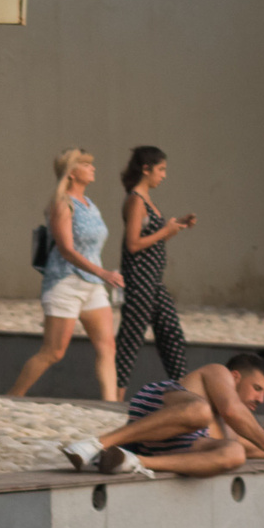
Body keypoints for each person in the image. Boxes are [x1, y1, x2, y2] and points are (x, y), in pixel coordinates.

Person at [6, 147, 124, 402]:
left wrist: (101, 275)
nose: (93, 168)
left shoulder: (91, 205)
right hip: (65, 283)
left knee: (107, 347)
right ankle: (13, 397)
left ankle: (110, 404)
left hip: (93, 284)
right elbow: (67, 250)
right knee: (54, 352)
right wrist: (103, 272)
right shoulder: (62, 204)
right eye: (86, 164)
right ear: (71, 173)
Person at [61, 353, 264, 477]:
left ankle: (134, 463)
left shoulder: (233, 431)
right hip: (162, 405)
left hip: (169, 447)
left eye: (262, 395)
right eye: (257, 389)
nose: (259, 399)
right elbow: (232, 410)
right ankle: (95, 444)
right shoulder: (218, 372)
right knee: (201, 411)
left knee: (235, 453)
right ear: (235, 377)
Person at [113, 146, 195, 391]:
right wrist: (165, 231)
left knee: (172, 335)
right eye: (161, 169)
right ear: (145, 169)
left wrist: (175, 227)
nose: (164, 175)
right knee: (131, 341)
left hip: (154, 282)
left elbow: (153, 240)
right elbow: (133, 244)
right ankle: (114, 394)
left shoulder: (147, 200)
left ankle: (182, 389)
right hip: (139, 281)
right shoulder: (135, 200)